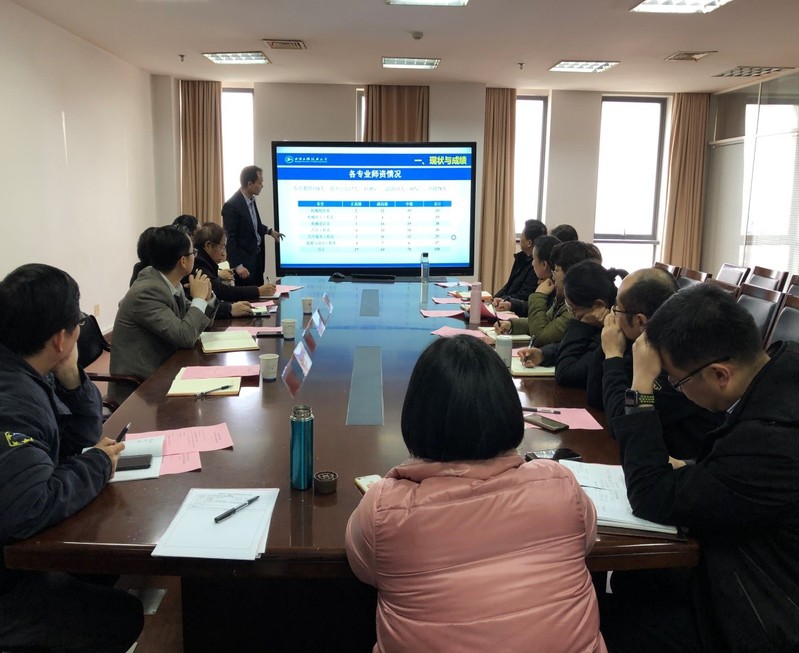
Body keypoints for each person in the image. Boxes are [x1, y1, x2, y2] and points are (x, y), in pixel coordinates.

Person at [346, 336, 606, 653]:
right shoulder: (560, 485)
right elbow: (585, 541)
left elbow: (363, 568)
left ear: (417, 416)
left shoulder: (385, 508)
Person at [600, 284, 799, 652]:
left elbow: (650, 495)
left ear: (720, 375)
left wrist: (641, 387)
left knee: (601, 624)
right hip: (744, 556)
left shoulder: (771, 442)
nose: (675, 389)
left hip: (759, 608)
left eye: (675, 381)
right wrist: (698, 468)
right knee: (633, 584)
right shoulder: (781, 373)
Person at [0, 263, 143, 652]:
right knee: (123, 615)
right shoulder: (14, 401)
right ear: (60, 338)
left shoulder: (26, 367)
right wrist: (97, 463)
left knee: (104, 571)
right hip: (8, 587)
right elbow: (29, 507)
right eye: (78, 321)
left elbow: (77, 442)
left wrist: (72, 377)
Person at [586, 267, 723, 459]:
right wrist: (607, 346)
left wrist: (613, 355)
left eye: (617, 310)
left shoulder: (679, 359)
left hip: (688, 467)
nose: (612, 315)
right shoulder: (644, 344)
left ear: (640, 321)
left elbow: (622, 423)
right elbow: (595, 397)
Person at [111, 225, 218, 381]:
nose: (195, 256)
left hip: (165, 368)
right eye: (193, 252)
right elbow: (185, 336)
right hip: (142, 385)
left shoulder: (171, 282)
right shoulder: (147, 292)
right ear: (183, 261)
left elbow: (197, 323)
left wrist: (207, 298)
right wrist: (199, 299)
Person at [517, 260, 625, 387]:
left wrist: (582, 325)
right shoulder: (602, 322)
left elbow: (565, 373)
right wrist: (543, 354)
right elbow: (577, 348)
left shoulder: (614, 333)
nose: (572, 315)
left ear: (598, 305)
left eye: (574, 309)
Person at [495, 240, 601, 345]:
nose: (553, 276)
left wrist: (539, 295)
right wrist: (511, 324)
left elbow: (540, 336)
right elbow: (544, 321)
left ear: (571, 274)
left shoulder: (575, 308)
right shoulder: (563, 299)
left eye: (556, 270)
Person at [222, 165, 282, 286]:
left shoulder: (251, 200)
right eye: (260, 183)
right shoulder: (232, 206)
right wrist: (238, 266)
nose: (262, 186)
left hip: (257, 260)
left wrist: (270, 231)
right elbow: (230, 239)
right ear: (250, 184)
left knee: (260, 293)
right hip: (244, 265)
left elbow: (253, 225)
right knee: (248, 295)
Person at [491, 218, 546, 312]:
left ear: (529, 243)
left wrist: (504, 301)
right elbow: (509, 285)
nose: (520, 238)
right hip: (505, 303)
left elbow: (524, 294)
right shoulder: (521, 257)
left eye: (522, 235)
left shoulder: (536, 266)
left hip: (514, 309)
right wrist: (493, 298)